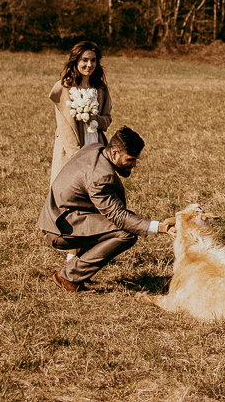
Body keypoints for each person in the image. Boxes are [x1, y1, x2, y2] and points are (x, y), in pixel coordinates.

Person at [38, 126, 174, 292]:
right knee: (125, 233)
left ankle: (71, 271)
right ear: (115, 153)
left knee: (119, 227)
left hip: (62, 217)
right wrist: (160, 227)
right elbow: (118, 216)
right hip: (60, 228)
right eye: (131, 159)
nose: (134, 164)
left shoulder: (96, 148)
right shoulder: (100, 177)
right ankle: (69, 277)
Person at [49, 41, 113, 184]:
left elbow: (107, 121)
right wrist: (76, 156)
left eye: (93, 60)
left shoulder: (100, 89)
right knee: (69, 188)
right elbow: (65, 127)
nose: (89, 65)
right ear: (75, 61)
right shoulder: (64, 87)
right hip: (71, 146)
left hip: (95, 142)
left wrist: (93, 118)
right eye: (84, 60)